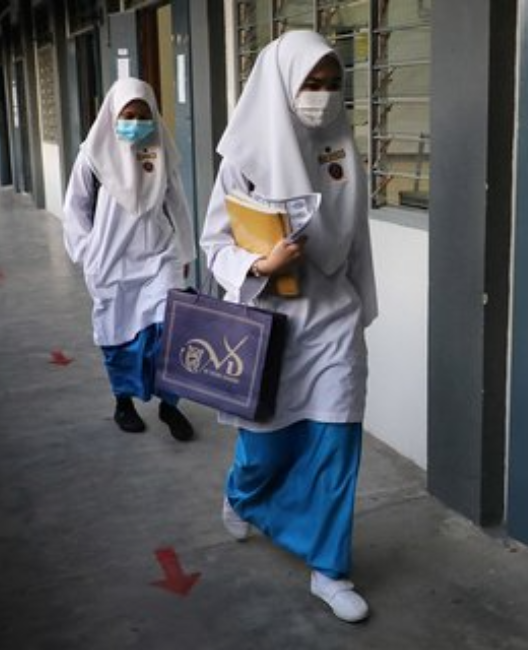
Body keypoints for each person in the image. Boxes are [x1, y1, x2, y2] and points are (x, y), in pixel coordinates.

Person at [199, 31, 378, 623]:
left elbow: (358, 243)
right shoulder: (244, 156)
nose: (323, 97)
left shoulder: (341, 149)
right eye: (311, 84)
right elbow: (214, 244)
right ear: (281, 85)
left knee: (336, 445)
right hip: (270, 324)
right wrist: (258, 265)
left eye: (333, 85)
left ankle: (330, 568)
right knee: (266, 449)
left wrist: (362, 307)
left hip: (332, 322)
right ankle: (241, 494)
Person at [62, 77, 197, 442]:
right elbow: (75, 206)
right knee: (117, 335)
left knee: (170, 332)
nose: (136, 122)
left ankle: (170, 404)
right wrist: (87, 251)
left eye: (143, 115)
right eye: (128, 114)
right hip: (111, 262)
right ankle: (124, 402)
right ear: (112, 115)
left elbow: (178, 204)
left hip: (159, 257)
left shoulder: (161, 149)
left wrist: (184, 252)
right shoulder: (93, 153)